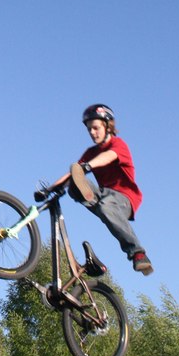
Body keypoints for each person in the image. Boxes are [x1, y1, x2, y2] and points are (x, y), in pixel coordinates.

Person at [36, 104, 153, 275]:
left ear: (108, 126)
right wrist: (50, 189)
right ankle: (92, 199)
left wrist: (88, 166)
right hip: (102, 195)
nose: (92, 133)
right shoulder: (90, 152)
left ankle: (138, 253)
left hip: (124, 198)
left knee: (106, 206)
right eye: (89, 129)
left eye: (96, 128)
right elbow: (74, 173)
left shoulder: (118, 144)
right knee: (75, 184)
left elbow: (108, 157)